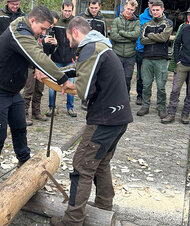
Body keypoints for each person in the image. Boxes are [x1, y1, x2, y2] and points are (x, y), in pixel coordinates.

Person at [50, 16, 133, 226]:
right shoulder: (99, 47)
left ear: (75, 33)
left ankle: (72, 220)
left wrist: (68, 86)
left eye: (69, 39)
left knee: (82, 166)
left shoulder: (91, 49)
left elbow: (84, 91)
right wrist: (54, 74)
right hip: (119, 117)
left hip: (105, 119)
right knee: (101, 162)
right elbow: (79, 72)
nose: (68, 44)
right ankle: (104, 205)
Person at [0, 5, 74, 179]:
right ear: (32, 21)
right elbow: (37, 56)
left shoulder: (28, 29)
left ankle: (24, 162)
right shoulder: (19, 31)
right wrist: (63, 80)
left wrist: (36, 67)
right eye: (42, 28)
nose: (43, 32)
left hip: (12, 90)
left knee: (20, 127)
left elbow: (31, 55)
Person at [137, 1, 173, 119]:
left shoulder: (167, 23)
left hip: (161, 59)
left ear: (162, 9)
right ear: (151, 10)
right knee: (146, 84)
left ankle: (161, 107)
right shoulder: (146, 24)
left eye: (158, 10)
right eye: (153, 10)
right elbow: (142, 40)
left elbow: (163, 38)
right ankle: (145, 105)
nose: (155, 12)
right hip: (147, 58)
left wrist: (150, 35)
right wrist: (156, 37)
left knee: (161, 85)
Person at [24, 11, 59, 126]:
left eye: (54, 24)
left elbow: (50, 52)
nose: (51, 26)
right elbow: (31, 47)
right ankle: (24, 114)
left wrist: (55, 45)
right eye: (51, 23)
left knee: (39, 90)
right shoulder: (35, 30)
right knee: (29, 90)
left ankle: (36, 111)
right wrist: (42, 42)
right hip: (30, 65)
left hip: (42, 66)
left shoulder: (51, 32)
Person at [46, 0, 77, 118]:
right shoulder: (56, 22)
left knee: (71, 84)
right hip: (57, 57)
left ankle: (70, 107)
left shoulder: (75, 23)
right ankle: (51, 107)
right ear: (62, 9)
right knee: (52, 84)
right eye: (65, 10)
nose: (67, 13)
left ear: (72, 10)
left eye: (69, 11)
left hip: (70, 58)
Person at [79, 0, 107, 110]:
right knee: (85, 75)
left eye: (95, 8)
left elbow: (105, 36)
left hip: (98, 51)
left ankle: (94, 99)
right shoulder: (82, 17)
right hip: (85, 50)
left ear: (99, 7)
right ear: (88, 7)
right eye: (91, 7)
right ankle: (84, 99)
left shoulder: (102, 19)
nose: (93, 10)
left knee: (97, 75)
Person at [134, 0, 161, 106]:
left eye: (156, 5)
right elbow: (139, 34)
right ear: (149, 4)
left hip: (155, 51)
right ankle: (140, 95)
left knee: (153, 76)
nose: (153, 7)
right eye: (151, 4)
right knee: (140, 75)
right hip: (141, 50)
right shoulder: (141, 17)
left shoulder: (162, 18)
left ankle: (150, 97)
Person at [111, 0, 141, 95]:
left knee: (127, 79)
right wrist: (129, 38)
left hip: (130, 56)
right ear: (124, 7)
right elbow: (114, 36)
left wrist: (122, 33)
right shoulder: (116, 20)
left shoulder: (136, 22)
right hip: (117, 54)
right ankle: (114, 99)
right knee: (115, 78)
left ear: (134, 10)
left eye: (131, 10)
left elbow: (136, 35)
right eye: (128, 9)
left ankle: (125, 99)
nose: (129, 11)